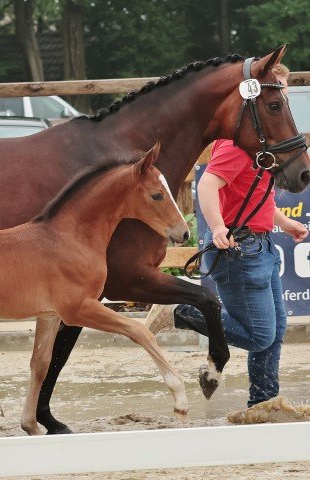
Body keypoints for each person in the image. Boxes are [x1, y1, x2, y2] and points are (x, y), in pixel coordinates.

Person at [145, 64, 308, 407]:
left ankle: (263, 402)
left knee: (275, 332)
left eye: (284, 91)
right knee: (260, 334)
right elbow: (207, 184)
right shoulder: (237, 145)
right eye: (277, 91)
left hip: (260, 245)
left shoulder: (263, 145)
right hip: (238, 249)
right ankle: (179, 312)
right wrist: (218, 227)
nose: (283, 98)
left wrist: (282, 222)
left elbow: (253, 197)